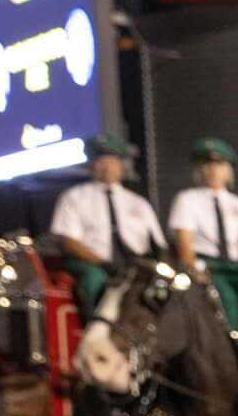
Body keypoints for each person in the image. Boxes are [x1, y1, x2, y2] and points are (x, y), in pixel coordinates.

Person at [167, 137, 238, 342]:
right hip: (208, 266)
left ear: (228, 170)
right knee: (227, 299)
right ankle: (228, 352)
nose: (213, 170)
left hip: (237, 266)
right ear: (198, 169)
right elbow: (184, 241)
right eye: (207, 164)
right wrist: (192, 269)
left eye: (220, 164)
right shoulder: (187, 199)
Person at [47, 133, 166, 310]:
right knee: (95, 282)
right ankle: (98, 333)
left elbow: (158, 243)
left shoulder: (138, 203)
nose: (107, 167)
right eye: (101, 161)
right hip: (92, 263)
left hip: (135, 265)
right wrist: (103, 263)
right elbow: (69, 242)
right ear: (91, 164)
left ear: (121, 166)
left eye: (112, 161)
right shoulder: (74, 197)